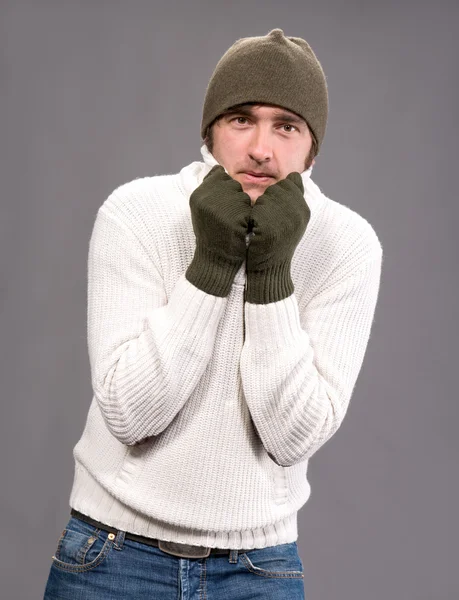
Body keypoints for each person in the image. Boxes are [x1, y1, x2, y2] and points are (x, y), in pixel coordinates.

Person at [44, 28, 383, 600]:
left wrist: (271, 271)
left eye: (287, 126)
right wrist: (214, 262)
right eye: (241, 119)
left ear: (312, 146)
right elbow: (128, 413)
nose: (261, 148)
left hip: (256, 569)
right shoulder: (138, 214)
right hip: (111, 554)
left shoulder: (347, 245)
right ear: (210, 132)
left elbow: (294, 434)